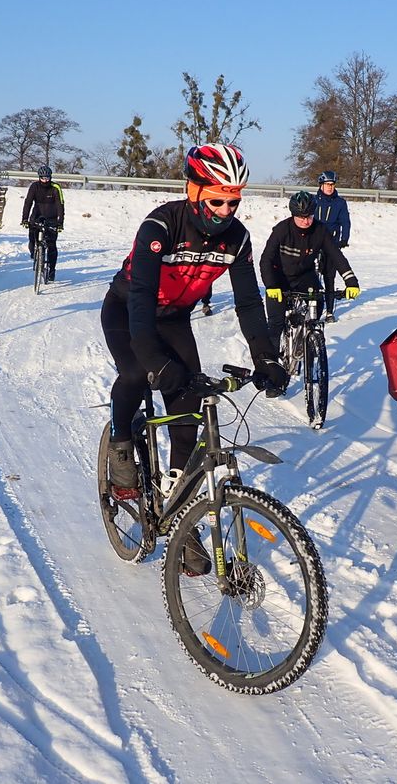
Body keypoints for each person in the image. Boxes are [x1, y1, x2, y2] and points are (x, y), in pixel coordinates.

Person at [100, 144, 289, 573]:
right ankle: (121, 444)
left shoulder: (238, 239)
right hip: (129, 309)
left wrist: (266, 357)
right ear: (192, 189)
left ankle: (182, 520)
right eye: (216, 199)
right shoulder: (160, 226)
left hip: (175, 318)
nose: (225, 210)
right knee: (134, 373)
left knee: (189, 411)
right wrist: (154, 362)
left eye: (233, 200)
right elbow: (143, 298)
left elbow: (247, 303)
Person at [260, 191, 361, 352]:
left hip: (305, 276)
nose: (306, 221)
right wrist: (271, 285)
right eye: (301, 217)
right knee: (275, 324)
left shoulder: (320, 230)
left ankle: (305, 336)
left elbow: (336, 256)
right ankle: (270, 366)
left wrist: (351, 282)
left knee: (318, 302)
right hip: (279, 277)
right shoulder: (282, 230)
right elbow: (266, 260)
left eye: (309, 216)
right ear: (293, 215)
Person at [312, 170, 352, 321]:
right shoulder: (314, 200)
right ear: (321, 185)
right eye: (327, 184)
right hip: (314, 243)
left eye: (332, 184)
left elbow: (345, 222)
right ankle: (312, 309)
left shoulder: (340, 203)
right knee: (311, 277)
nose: (330, 187)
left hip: (332, 243)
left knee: (329, 278)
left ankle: (329, 311)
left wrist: (344, 239)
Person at [21, 165, 65, 282]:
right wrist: (25, 219)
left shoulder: (55, 187)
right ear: (39, 177)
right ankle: (34, 252)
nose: (45, 180)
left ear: (50, 177)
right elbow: (28, 203)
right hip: (37, 216)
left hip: (52, 218)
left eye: (47, 178)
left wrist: (60, 222)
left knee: (51, 246)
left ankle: (51, 270)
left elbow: (60, 205)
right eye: (43, 178)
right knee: (32, 238)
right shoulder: (34, 186)